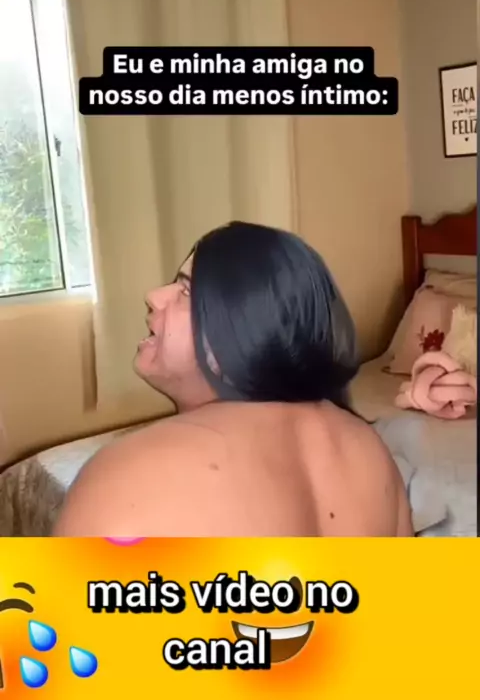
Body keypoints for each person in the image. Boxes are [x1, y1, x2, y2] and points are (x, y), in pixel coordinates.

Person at [54, 221, 413, 537]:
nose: (154, 296)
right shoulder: (374, 456)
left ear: (249, 331)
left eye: (186, 291)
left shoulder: (123, 480)